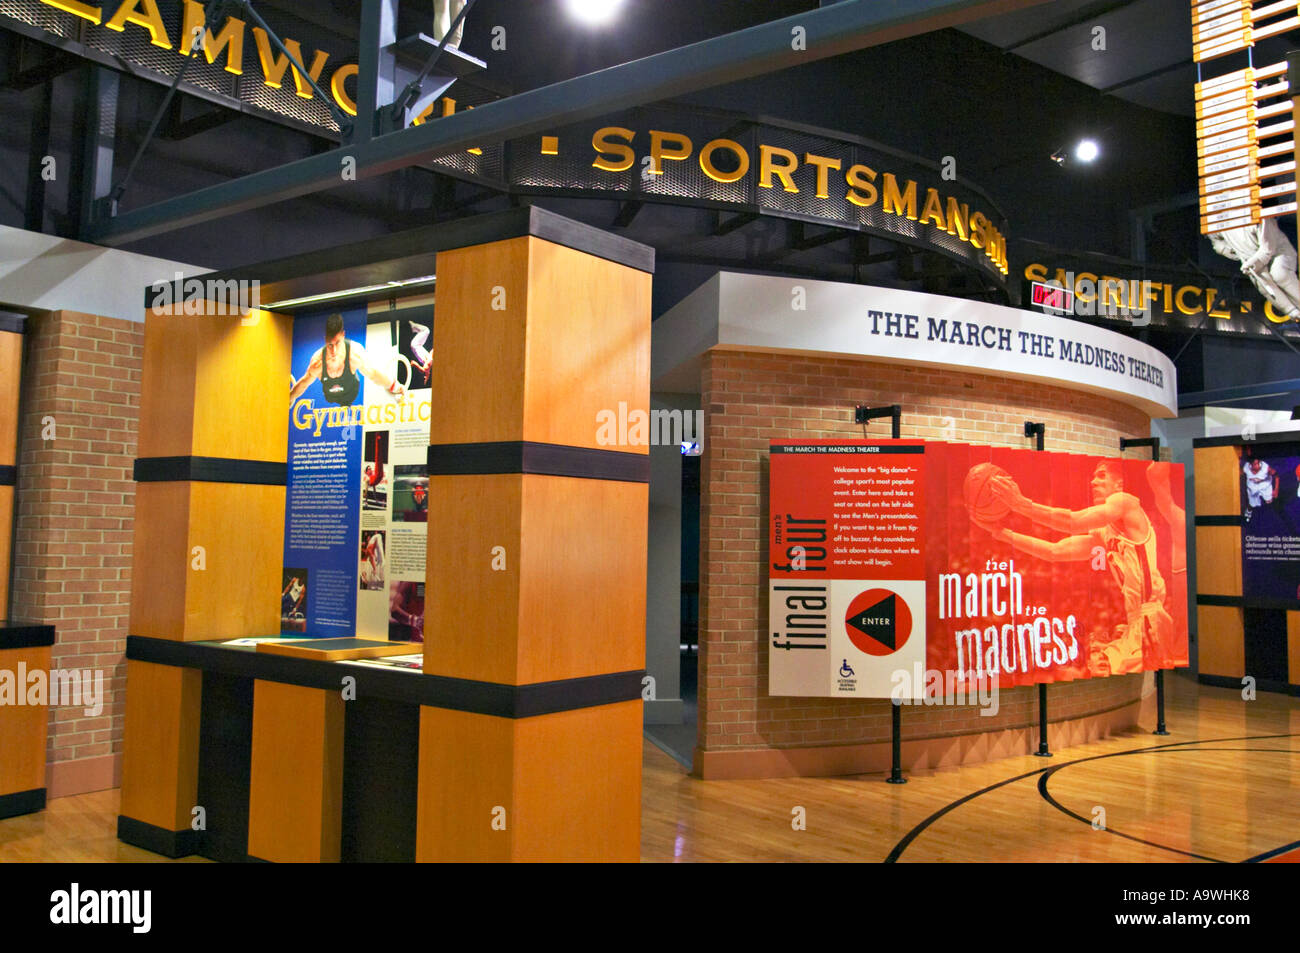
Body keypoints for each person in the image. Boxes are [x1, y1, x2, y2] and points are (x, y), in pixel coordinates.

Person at [975, 460, 1172, 676]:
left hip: (1150, 616)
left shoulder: (1124, 501)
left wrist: (1021, 504)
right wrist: (1001, 534)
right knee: (1097, 669)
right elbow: (1055, 551)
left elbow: (1073, 521)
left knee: (1109, 668)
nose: (1093, 481)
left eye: (1102, 476)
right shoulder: (1104, 532)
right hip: (1136, 620)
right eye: (1094, 476)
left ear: (1119, 484)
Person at [289, 313, 406, 406]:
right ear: (325, 340)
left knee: (368, 370)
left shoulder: (354, 354)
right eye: (330, 345)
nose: (333, 351)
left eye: (337, 343)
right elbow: (304, 383)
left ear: (343, 335)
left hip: (351, 393)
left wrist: (394, 386)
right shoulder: (317, 361)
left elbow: (373, 374)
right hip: (330, 397)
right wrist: (289, 398)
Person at [408, 321, 432, 387]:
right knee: (426, 331)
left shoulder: (428, 364)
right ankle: (414, 328)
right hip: (419, 344)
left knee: (426, 331)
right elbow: (427, 372)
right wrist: (426, 378)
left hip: (415, 344)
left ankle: (413, 327)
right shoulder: (430, 361)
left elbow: (413, 363)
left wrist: (415, 365)